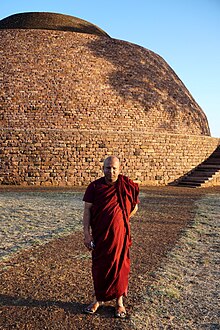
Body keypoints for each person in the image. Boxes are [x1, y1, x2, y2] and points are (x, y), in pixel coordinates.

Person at [82, 155, 139, 318]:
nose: (111, 171)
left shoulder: (126, 186)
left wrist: (121, 219)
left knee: (119, 267)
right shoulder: (94, 187)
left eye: (114, 168)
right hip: (100, 235)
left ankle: (119, 303)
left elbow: (134, 207)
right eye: (108, 167)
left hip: (120, 236)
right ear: (103, 168)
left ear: (119, 169)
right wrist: (87, 234)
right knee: (100, 267)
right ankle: (97, 299)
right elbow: (87, 211)